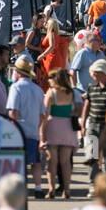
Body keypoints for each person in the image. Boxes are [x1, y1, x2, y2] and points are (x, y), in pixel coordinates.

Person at [7, 55, 46, 199]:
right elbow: (43, 114)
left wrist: (11, 130)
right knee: (35, 162)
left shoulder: (15, 88)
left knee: (19, 162)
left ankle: (20, 188)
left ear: (17, 72)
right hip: (34, 131)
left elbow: (13, 112)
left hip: (19, 131)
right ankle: (38, 188)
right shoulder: (38, 90)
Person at [40, 68, 80, 199]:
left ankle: (51, 189)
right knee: (66, 162)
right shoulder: (71, 93)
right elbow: (76, 110)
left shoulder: (51, 93)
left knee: (51, 161)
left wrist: (41, 133)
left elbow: (45, 115)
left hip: (53, 127)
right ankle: (67, 190)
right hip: (67, 127)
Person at [80, 59, 106, 171]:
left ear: (103, 73)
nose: (93, 74)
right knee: (92, 155)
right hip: (93, 125)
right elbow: (87, 106)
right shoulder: (91, 86)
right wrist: (83, 124)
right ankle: (93, 183)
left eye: (96, 72)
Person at [70, 30, 106, 95]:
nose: (100, 42)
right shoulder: (82, 53)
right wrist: (74, 87)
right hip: (83, 91)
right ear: (90, 42)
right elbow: (72, 71)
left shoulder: (101, 54)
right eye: (98, 41)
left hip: (98, 91)